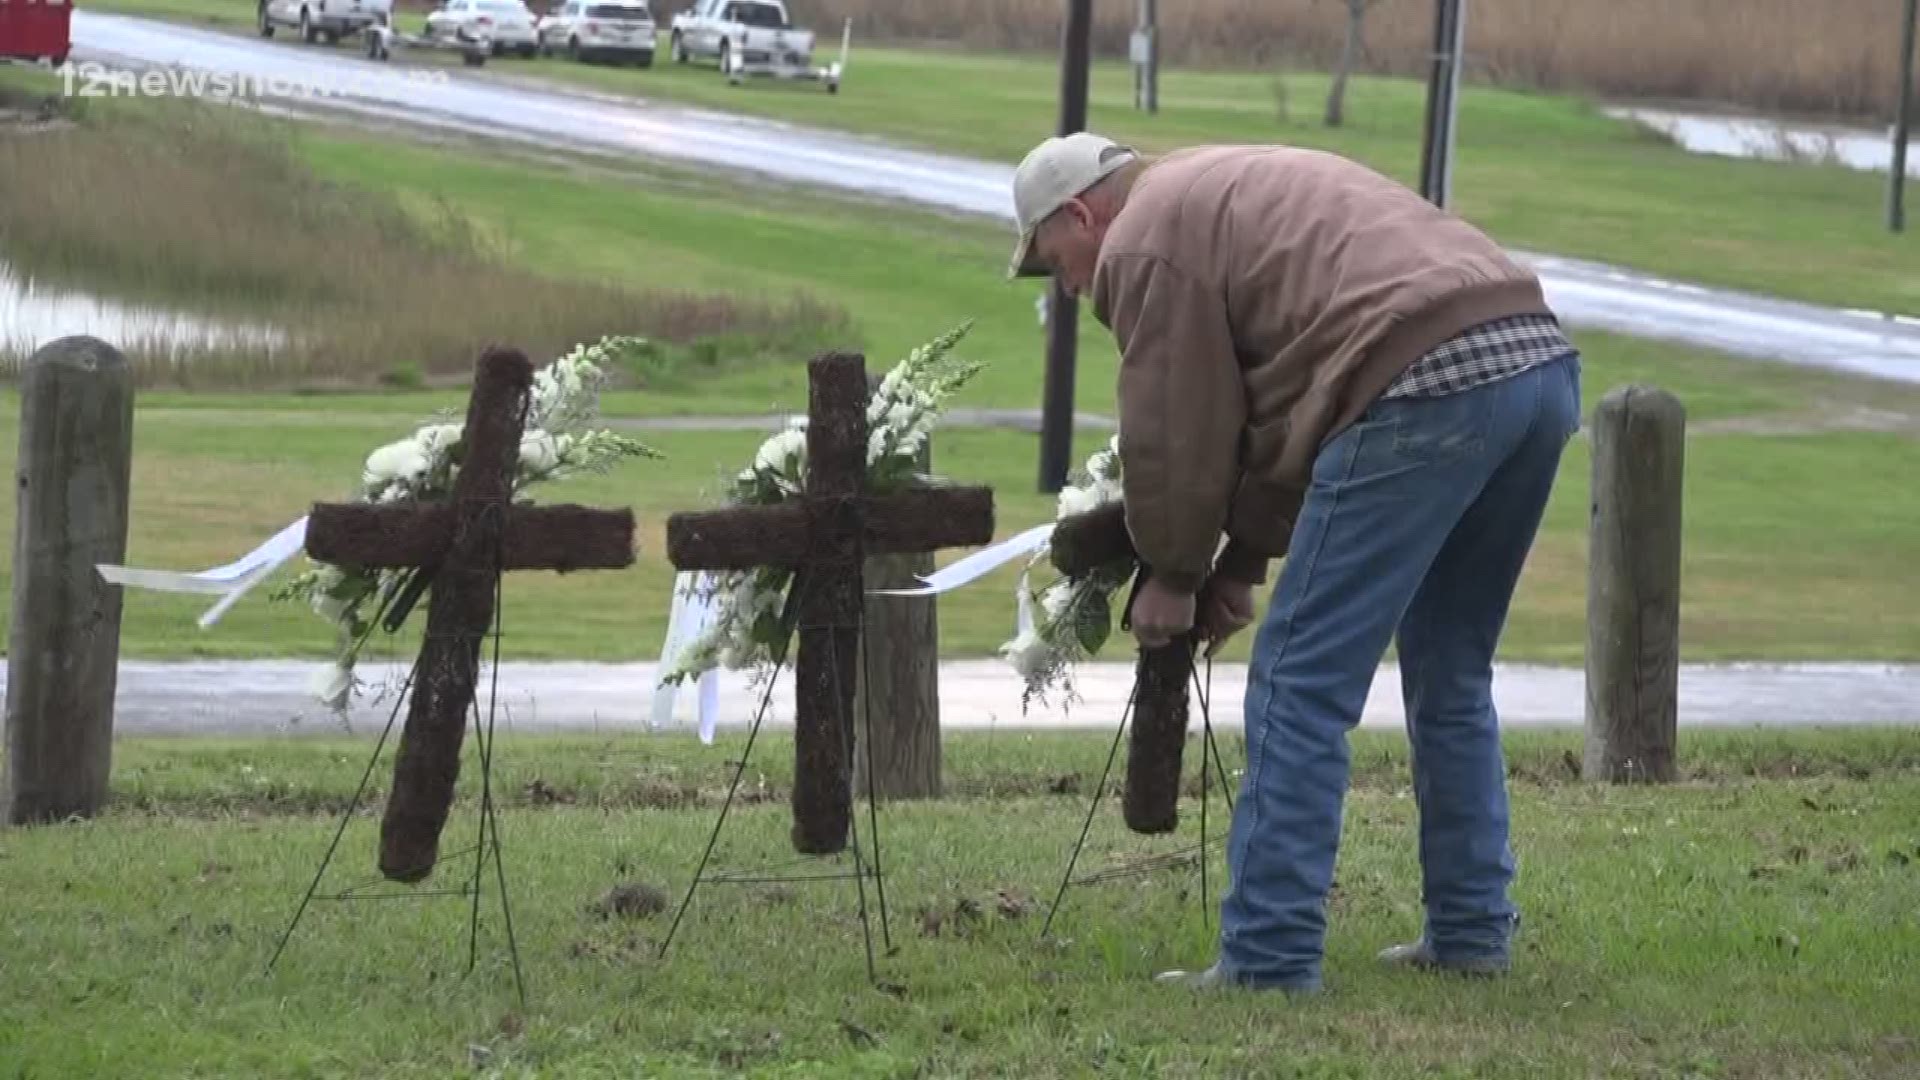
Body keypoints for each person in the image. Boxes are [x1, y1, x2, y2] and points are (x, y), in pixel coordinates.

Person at [1006, 133, 1583, 994]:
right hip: (1532, 364)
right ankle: (1470, 933)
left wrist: (1171, 573)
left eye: (1059, 263)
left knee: (1298, 684)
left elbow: (1180, 428)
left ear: (1083, 216)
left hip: (1419, 382)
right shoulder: (1218, 191)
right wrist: (1238, 564)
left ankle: (1269, 959)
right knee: (1451, 666)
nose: (1074, 287)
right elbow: (1290, 410)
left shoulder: (1144, 240)